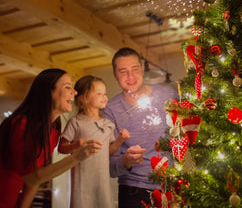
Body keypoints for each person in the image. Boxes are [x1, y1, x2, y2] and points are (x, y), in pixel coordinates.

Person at [0, 68, 102, 208]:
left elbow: (36, 179)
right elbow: (33, 177)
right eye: (67, 87)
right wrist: (77, 157)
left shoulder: (53, 129)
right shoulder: (21, 125)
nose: (75, 92)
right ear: (48, 92)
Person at [105, 47, 178, 208]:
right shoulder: (111, 110)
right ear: (115, 76)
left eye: (135, 69)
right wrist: (126, 160)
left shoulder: (168, 95)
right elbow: (109, 169)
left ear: (143, 70)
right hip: (134, 191)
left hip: (171, 187)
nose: (130, 76)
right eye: (123, 71)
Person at [58, 75, 130, 208]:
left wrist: (120, 140)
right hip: (81, 182)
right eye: (99, 93)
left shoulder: (108, 124)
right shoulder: (76, 122)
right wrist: (76, 145)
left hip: (102, 181)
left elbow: (108, 151)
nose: (104, 97)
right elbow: (61, 148)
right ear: (83, 98)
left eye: (105, 93)